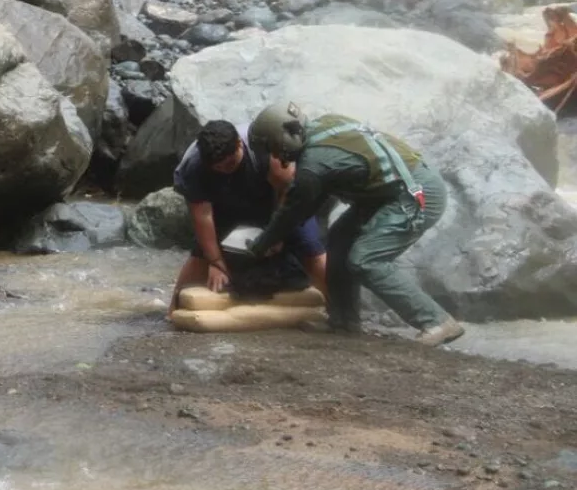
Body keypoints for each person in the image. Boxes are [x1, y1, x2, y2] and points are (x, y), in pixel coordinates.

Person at [245, 103, 464, 347]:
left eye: (273, 148)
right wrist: (277, 235)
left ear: (284, 138)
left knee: (366, 259)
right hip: (388, 194)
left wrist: (262, 244)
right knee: (339, 242)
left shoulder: (313, 166)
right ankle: (343, 322)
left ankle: (437, 321)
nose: (275, 155)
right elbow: (312, 201)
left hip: (416, 194)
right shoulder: (325, 126)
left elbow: (295, 209)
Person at [168, 119, 327, 315]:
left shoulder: (264, 148)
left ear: (238, 145)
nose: (223, 170)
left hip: (278, 198)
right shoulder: (194, 166)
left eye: (229, 164)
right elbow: (203, 217)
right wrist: (216, 262)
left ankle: (338, 311)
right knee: (201, 255)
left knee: (312, 250)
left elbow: (289, 190)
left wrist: (277, 234)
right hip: (224, 203)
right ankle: (172, 312)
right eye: (217, 168)